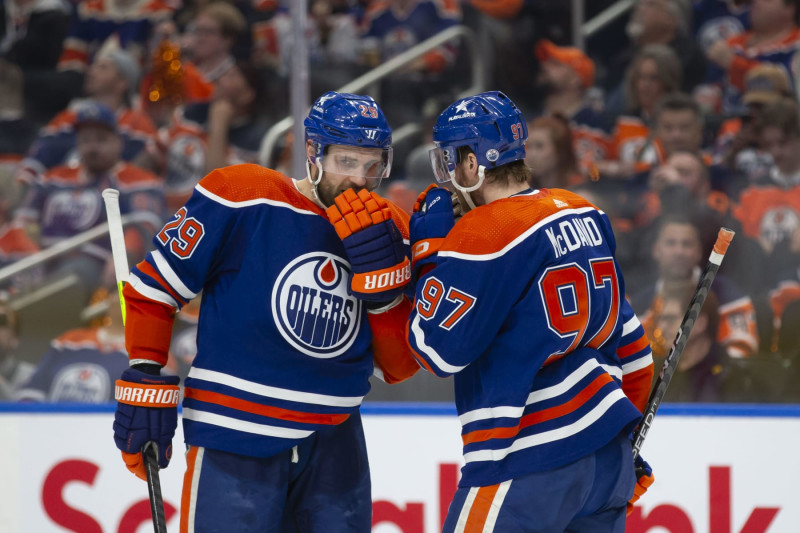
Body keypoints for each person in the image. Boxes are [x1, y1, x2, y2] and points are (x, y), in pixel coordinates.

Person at [111, 91, 420, 531]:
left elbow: (399, 368)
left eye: (373, 166)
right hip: (233, 435)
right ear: (313, 153)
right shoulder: (241, 195)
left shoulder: (390, 229)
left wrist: (384, 295)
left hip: (334, 444)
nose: (360, 180)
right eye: (346, 163)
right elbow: (152, 290)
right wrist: (145, 374)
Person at [406, 91, 655, 531]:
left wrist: (430, 256)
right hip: (607, 462)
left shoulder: (486, 232)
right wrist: (621, 443)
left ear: (472, 164)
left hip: (528, 460)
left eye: (450, 161)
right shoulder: (584, 211)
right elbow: (636, 353)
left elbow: (435, 351)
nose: (447, 179)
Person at [15, 283, 129, 402]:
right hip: (48, 419)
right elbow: (33, 389)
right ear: (108, 300)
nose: (122, 298)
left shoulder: (144, 353)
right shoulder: (70, 340)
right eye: (118, 292)